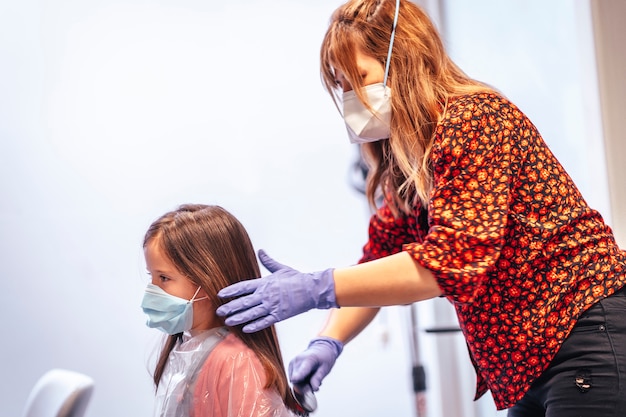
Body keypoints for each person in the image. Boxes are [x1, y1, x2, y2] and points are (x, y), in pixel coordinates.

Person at [215, 0, 626, 416]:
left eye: (359, 78)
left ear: (403, 58)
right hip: (528, 363)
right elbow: (381, 263)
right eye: (341, 86)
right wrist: (328, 341)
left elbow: (450, 262)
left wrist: (317, 288)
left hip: (582, 330)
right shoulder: (406, 164)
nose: (350, 98)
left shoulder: (474, 119)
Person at [140, 204, 308, 417]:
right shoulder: (188, 351)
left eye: (164, 278)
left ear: (207, 279)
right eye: (151, 277)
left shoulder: (237, 363)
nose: (152, 290)